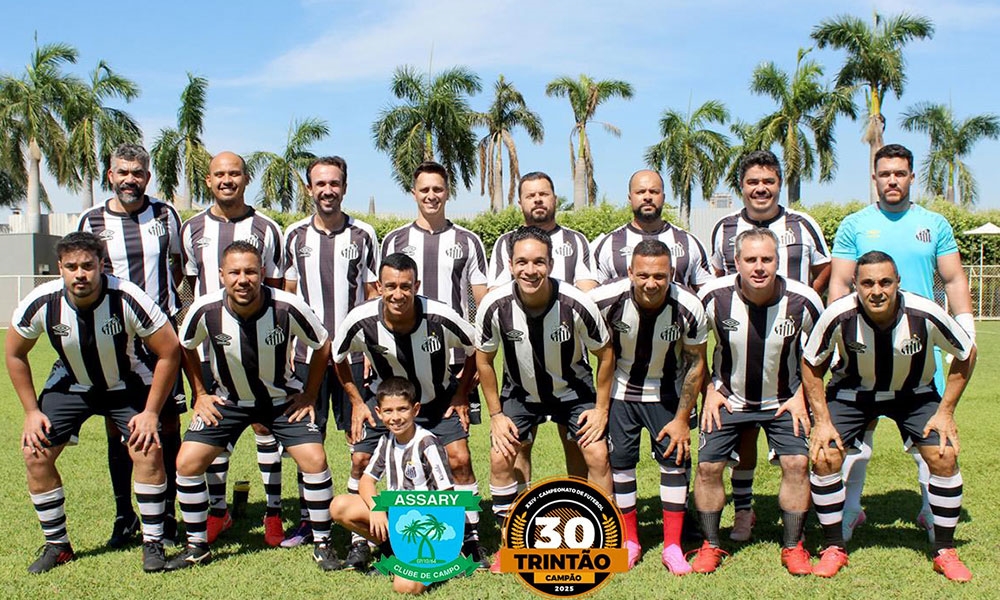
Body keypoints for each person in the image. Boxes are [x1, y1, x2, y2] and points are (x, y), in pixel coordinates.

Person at [7, 231, 181, 573]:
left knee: (147, 447)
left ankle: (153, 542)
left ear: (102, 265)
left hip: (125, 382)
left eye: (87, 266)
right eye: (71, 267)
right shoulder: (42, 301)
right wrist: (31, 411)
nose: (80, 274)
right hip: (72, 383)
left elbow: (169, 350)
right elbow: (14, 353)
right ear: (60, 267)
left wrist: (150, 412)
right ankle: (58, 546)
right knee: (35, 452)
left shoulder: (127, 296)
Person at [827, 143, 975, 542]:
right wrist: (839, 337)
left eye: (899, 173)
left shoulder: (934, 224)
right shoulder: (855, 224)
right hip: (863, 347)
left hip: (919, 349)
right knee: (857, 434)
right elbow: (839, 283)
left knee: (932, 433)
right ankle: (851, 510)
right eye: (885, 173)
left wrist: (965, 327)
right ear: (874, 178)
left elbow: (953, 279)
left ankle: (931, 511)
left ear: (911, 177)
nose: (892, 180)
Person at [167, 241, 340, 571]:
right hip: (228, 401)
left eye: (250, 271)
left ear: (262, 273)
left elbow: (322, 344)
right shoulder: (205, 309)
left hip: (280, 401)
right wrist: (200, 393)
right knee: (187, 463)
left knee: (315, 460)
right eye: (234, 272)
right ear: (222, 275)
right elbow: (185, 345)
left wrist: (309, 394)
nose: (242, 279)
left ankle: (323, 544)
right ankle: (196, 546)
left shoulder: (287, 305)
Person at [804, 251, 976, 581]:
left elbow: (966, 353)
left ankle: (945, 550)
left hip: (914, 394)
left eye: (885, 282)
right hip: (852, 394)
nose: (877, 291)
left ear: (898, 282)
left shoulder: (924, 312)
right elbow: (811, 362)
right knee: (825, 455)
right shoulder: (838, 314)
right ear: (855, 285)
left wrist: (946, 412)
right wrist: (822, 421)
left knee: (943, 454)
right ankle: (833, 546)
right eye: (867, 283)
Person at [333, 252, 485, 569]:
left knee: (460, 458)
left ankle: (470, 541)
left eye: (405, 286)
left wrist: (460, 394)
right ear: (379, 286)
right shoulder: (360, 319)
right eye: (390, 286)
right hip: (389, 407)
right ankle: (360, 542)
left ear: (416, 285)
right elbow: (338, 357)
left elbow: (476, 349)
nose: (398, 294)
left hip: (437, 401)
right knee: (360, 460)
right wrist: (357, 402)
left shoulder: (441, 316)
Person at [708, 149, 831, 542]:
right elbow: (716, 280)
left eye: (768, 181)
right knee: (743, 439)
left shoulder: (803, 225)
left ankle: (801, 524)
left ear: (779, 184)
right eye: (753, 182)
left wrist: (799, 300)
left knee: (797, 447)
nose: (761, 188)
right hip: (741, 348)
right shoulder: (724, 229)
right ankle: (744, 512)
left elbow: (824, 267)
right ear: (741, 187)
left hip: (791, 345)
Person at [476, 226, 614, 572]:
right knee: (502, 455)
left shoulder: (577, 303)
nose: (530, 270)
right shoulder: (494, 305)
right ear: (510, 265)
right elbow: (484, 360)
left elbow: (606, 353)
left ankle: (597, 536)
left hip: (573, 391)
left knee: (596, 452)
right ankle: (513, 539)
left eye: (539, 262)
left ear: (551, 264)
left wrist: (601, 409)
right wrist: (496, 415)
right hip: (520, 393)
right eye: (522, 262)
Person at [691, 228, 823, 575]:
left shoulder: (804, 300)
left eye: (767, 259)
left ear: (779, 261)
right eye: (751, 259)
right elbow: (693, 352)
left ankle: (794, 545)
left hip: (785, 399)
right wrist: (709, 390)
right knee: (708, 468)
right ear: (736, 262)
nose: (759, 267)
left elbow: (820, 357)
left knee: (797, 463)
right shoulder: (712, 297)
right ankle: (710, 544)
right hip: (728, 399)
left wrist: (800, 396)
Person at [77, 143, 185, 548]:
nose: (129, 179)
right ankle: (125, 516)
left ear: (147, 177)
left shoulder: (165, 215)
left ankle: (168, 513)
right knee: (117, 425)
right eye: (122, 172)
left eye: (137, 172)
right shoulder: (92, 220)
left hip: (161, 337)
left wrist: (172, 314)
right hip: (114, 337)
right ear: (110, 175)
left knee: (168, 423)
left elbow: (179, 270)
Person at [380, 162, 488, 564]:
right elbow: (381, 296)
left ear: (447, 192)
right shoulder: (394, 239)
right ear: (414, 193)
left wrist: (467, 383)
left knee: (458, 456)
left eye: (438, 189)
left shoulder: (468, 241)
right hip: (400, 367)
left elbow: (480, 299)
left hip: (455, 364)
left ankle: (470, 537)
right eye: (424, 189)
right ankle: (404, 529)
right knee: (400, 450)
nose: (431, 195)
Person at [179, 151, 287, 546]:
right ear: (209, 180)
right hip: (211, 349)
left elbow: (278, 289)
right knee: (214, 427)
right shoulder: (191, 228)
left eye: (235, 173)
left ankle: (273, 511)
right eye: (220, 174)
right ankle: (218, 511)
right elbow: (189, 286)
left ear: (245, 179)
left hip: (260, 348)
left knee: (263, 425)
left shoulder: (267, 228)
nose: (227, 180)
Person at [589, 240, 707, 574]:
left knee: (674, 464)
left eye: (659, 276)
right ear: (630, 272)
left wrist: (682, 418)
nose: (651, 283)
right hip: (621, 393)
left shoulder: (689, 306)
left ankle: (672, 546)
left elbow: (697, 362)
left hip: (667, 394)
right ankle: (631, 542)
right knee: (621, 467)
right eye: (643, 275)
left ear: (672, 274)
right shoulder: (604, 300)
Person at [281, 156, 379, 554]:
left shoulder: (364, 234)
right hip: (307, 359)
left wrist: (369, 345)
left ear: (344, 187)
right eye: (320, 183)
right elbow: (288, 297)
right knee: (309, 441)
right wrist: (287, 347)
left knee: (361, 444)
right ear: (309, 188)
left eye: (334, 183)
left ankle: (359, 527)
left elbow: (372, 295)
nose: (327, 190)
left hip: (354, 357)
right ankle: (311, 520)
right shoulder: (293, 235)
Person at [487, 171, 597, 484]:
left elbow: (588, 293)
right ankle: (523, 506)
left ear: (554, 199)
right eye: (530, 195)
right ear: (520, 202)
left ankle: (578, 504)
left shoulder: (575, 241)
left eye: (543, 194)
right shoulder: (505, 243)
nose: (537, 200)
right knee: (519, 444)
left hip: (569, 362)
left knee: (576, 442)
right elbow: (496, 296)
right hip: (520, 367)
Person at [330, 377, 455, 595]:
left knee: (405, 587)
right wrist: (376, 508)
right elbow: (367, 481)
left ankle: (439, 562)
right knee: (340, 506)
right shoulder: (387, 440)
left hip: (427, 526)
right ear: (379, 412)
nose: (395, 417)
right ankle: (394, 553)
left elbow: (448, 498)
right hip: (401, 522)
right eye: (388, 411)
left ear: (415, 409)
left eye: (402, 409)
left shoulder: (427, 443)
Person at [592, 169, 713, 290]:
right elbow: (596, 294)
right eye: (640, 192)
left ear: (663, 197)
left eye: (654, 192)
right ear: (630, 198)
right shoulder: (608, 244)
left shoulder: (689, 242)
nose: (647, 197)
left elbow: (706, 293)